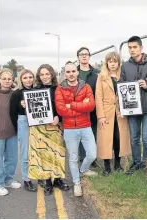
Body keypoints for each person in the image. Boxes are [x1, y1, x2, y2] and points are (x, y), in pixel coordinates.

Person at [55, 62, 97, 197]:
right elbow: (61, 110)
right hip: (69, 129)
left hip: (85, 126)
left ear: (77, 72)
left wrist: (72, 105)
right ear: (64, 74)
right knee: (73, 157)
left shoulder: (86, 87)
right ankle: (76, 183)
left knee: (92, 154)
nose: (71, 74)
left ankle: (83, 169)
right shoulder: (60, 89)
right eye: (68, 72)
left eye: (73, 71)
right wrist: (81, 107)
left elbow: (91, 106)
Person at [28, 64, 69, 196]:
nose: (45, 77)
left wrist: (59, 117)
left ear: (52, 74)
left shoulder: (59, 89)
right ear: (39, 77)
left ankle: (58, 180)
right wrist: (24, 104)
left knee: (58, 153)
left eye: (47, 74)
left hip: (55, 126)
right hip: (40, 127)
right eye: (42, 74)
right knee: (44, 154)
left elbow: (64, 106)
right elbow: (30, 109)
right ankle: (47, 182)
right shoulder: (34, 90)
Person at [120, 36, 147, 175]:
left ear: (141, 48)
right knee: (134, 138)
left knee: (146, 138)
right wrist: (123, 108)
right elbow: (121, 86)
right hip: (132, 109)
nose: (132, 50)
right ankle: (136, 163)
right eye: (130, 47)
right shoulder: (125, 66)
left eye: (135, 47)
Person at [96, 52, 131, 176]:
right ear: (107, 63)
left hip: (120, 113)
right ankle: (106, 167)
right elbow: (98, 97)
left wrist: (125, 111)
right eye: (110, 61)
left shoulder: (122, 76)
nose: (112, 64)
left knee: (118, 138)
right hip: (106, 113)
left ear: (118, 63)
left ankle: (117, 164)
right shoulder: (101, 76)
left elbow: (126, 95)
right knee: (106, 140)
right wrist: (100, 116)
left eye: (115, 61)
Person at [10, 69, 37, 191]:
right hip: (23, 122)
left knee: (37, 150)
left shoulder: (38, 91)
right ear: (21, 79)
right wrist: (17, 130)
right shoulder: (17, 93)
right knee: (25, 152)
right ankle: (26, 179)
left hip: (37, 122)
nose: (28, 79)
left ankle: (40, 176)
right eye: (25, 77)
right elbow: (12, 113)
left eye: (30, 77)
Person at [0, 69, 21, 196]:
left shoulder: (15, 94)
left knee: (11, 158)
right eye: (4, 78)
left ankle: (8, 179)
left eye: (9, 79)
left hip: (12, 131)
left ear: (12, 80)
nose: (6, 81)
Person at [76, 47, 99, 164]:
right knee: (80, 136)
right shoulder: (73, 72)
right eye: (81, 54)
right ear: (78, 57)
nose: (84, 56)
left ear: (89, 56)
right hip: (78, 110)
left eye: (86, 54)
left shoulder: (96, 73)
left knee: (92, 134)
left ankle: (91, 159)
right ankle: (82, 158)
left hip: (92, 109)